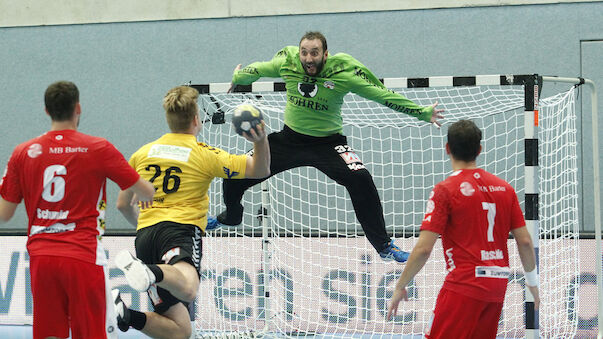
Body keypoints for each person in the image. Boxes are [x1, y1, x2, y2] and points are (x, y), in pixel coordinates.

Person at [207, 31, 444, 263]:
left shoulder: (343, 74)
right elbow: (258, 69)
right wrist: (239, 77)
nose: (309, 59)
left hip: (329, 145)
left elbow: (382, 96)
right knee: (236, 172)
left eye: (315, 53)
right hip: (289, 141)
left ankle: (383, 246)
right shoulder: (287, 63)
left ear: (325, 54)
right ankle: (232, 215)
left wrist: (422, 113)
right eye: (304, 53)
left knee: (361, 179)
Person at [112, 85, 270, 339]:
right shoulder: (203, 154)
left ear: (168, 119)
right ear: (197, 120)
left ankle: (125, 314)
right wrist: (260, 140)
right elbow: (259, 169)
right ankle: (150, 272)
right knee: (189, 289)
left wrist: (143, 225)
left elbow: (122, 203)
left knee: (180, 331)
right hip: (179, 232)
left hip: (145, 237)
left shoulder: (143, 153)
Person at [0, 81, 155, 339]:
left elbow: (4, 213)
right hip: (83, 255)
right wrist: (143, 191)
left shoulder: (22, 152)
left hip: (42, 257)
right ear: (78, 108)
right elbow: (146, 191)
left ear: (47, 111)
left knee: (50, 333)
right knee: (91, 333)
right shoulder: (97, 148)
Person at [386, 120, 540, 338]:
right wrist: (532, 283)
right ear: (479, 150)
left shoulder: (445, 190)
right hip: (497, 284)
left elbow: (423, 249)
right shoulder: (505, 189)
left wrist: (400, 285)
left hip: (464, 284)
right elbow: (525, 241)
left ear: (447, 148)